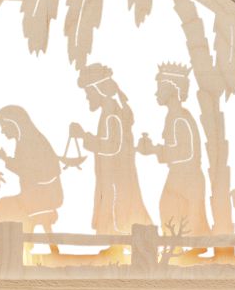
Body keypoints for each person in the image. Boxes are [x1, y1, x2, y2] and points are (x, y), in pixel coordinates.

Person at [69, 63, 151, 235]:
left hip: (115, 179)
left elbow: (112, 146)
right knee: (116, 214)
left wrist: (83, 136)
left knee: (117, 214)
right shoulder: (110, 113)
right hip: (112, 177)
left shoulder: (111, 115)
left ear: (98, 90)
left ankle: (119, 242)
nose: (87, 97)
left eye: (88, 92)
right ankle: (116, 244)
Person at [137, 62, 211, 237]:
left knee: (184, 218)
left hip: (187, 178)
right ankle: (177, 249)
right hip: (179, 176)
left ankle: (186, 249)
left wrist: (155, 150)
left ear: (172, 89)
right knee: (172, 214)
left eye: (160, 88)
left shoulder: (180, 118)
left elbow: (186, 153)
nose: (156, 93)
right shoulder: (173, 116)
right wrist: (154, 149)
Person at [0, 105, 63, 236]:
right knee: (3, 205)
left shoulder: (33, 142)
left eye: (3, 126)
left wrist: (7, 160)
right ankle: (5, 243)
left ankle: (6, 243)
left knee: (3, 206)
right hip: (36, 194)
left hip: (46, 195)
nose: (2, 131)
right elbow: (25, 169)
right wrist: (6, 159)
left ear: (13, 124)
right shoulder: (24, 141)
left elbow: (36, 173)